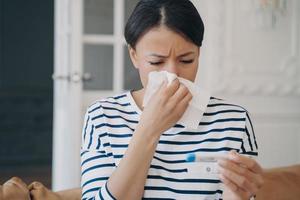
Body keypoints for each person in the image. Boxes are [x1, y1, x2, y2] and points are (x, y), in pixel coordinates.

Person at [81, 0, 263, 199]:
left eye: (187, 60)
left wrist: (239, 193)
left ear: (199, 54)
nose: (173, 75)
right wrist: (149, 129)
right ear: (134, 56)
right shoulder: (102, 117)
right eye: (156, 62)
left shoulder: (234, 120)